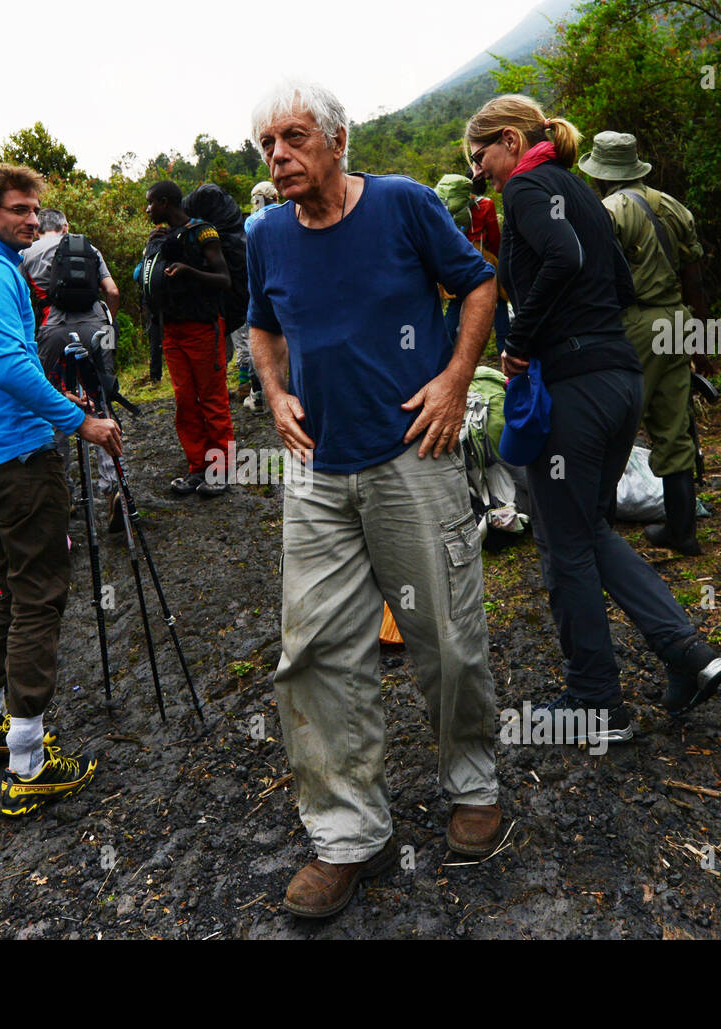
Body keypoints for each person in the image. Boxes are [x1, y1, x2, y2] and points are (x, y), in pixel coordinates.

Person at [247, 80, 501, 919]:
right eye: (266, 147)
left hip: (412, 455)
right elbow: (264, 326)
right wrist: (275, 393)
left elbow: (477, 284)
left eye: (292, 138)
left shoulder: (403, 205)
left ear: (338, 139)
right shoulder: (265, 234)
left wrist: (456, 382)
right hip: (317, 474)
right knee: (314, 651)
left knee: (446, 635)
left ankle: (472, 781)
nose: (278, 156)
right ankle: (348, 834)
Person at [464, 94, 721, 737]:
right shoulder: (581, 191)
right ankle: (688, 655)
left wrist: (520, 342)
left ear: (507, 139)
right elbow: (620, 285)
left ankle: (594, 700)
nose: (483, 176)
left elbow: (566, 260)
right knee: (591, 529)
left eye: (480, 161)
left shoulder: (527, 187)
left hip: (576, 390)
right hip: (619, 381)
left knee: (563, 545)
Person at [0, 165, 122, 818]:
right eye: (18, 209)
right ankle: (29, 762)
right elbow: (13, 366)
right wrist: (84, 420)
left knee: (14, 590)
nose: (32, 220)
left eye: (35, 210)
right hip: (18, 461)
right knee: (40, 595)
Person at [580, 131, 711, 555]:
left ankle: (594, 533)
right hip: (676, 320)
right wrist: (700, 338)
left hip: (632, 325)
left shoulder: (607, 213)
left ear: (601, 174)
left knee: (611, 427)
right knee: (674, 430)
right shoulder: (671, 205)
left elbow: (595, 281)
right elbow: (694, 275)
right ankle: (682, 531)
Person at [22, 209, 126, 533]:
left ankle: (62, 491)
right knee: (100, 399)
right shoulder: (87, 247)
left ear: (39, 228)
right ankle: (114, 489)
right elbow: (113, 292)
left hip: (52, 328)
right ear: (65, 227)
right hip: (96, 324)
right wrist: (109, 322)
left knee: (55, 404)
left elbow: (22, 300)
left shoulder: (25, 253)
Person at [144, 180, 234, 497]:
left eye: (151, 203)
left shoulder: (204, 232)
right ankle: (197, 468)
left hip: (203, 328)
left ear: (166, 202)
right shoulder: (162, 237)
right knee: (184, 402)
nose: (148, 209)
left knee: (212, 399)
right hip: (172, 330)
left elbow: (224, 279)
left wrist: (189, 271)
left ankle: (221, 471)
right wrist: (151, 248)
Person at [434, 173, 510, 353]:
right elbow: (493, 238)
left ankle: (442, 353)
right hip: (482, 259)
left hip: (458, 259)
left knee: (455, 306)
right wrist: (499, 258)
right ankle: (505, 351)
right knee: (498, 304)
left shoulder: (449, 206)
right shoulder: (486, 205)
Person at [235, 180, 282, 412]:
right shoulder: (289, 213)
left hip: (261, 287)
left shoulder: (251, 222)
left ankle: (259, 394)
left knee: (260, 339)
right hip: (287, 286)